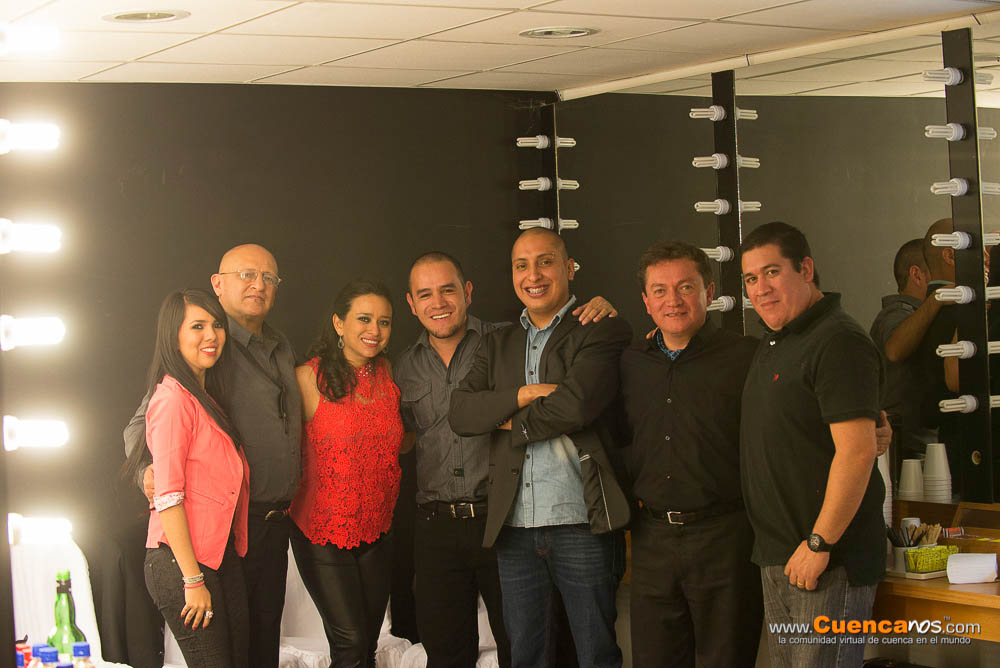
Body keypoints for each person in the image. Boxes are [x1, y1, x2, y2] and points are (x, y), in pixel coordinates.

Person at [396, 252, 617, 668]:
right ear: (411, 303)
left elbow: (567, 370)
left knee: (528, 649)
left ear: (468, 292)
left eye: (447, 290)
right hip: (435, 526)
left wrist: (600, 307)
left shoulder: (507, 342)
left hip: (501, 520)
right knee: (444, 654)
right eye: (425, 294)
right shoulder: (403, 366)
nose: (437, 302)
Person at [449, 229, 632, 668]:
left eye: (545, 262)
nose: (533, 275)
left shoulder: (600, 327)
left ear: (569, 268)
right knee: (526, 658)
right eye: (521, 265)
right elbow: (461, 413)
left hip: (583, 523)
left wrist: (507, 423)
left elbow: (576, 406)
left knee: (596, 656)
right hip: (514, 528)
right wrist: (525, 394)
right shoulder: (497, 343)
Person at [124, 244, 302, 668]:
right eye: (247, 275)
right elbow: (141, 427)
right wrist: (149, 472)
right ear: (218, 284)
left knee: (260, 649)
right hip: (226, 527)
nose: (258, 285)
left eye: (269, 278)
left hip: (271, 526)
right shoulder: (200, 357)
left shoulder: (279, 345)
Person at [740, 222, 885, 668]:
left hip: (827, 560)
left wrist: (820, 543)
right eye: (750, 279)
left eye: (772, 272)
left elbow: (857, 451)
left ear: (805, 269)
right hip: (781, 558)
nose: (760, 289)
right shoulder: (777, 340)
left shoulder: (838, 340)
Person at [619, 241, 762, 668]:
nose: (673, 300)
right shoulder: (629, 362)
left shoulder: (746, 357)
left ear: (709, 292)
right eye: (659, 290)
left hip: (725, 540)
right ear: (646, 301)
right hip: (651, 541)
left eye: (685, 287)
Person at [122, 289, 250, 668]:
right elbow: (168, 498)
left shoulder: (204, 398)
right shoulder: (172, 399)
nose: (211, 335)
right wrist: (192, 580)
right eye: (197, 326)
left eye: (216, 325)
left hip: (219, 556)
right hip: (180, 562)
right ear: (173, 335)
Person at [289, 279, 405, 668]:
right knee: (351, 642)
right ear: (339, 323)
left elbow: (400, 438)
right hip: (323, 530)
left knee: (367, 642)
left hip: (378, 528)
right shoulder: (307, 378)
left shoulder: (390, 372)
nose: (375, 330)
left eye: (384, 322)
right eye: (364, 319)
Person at [869, 238, 937, 460]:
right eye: (938, 271)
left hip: (929, 446)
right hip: (908, 451)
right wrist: (937, 299)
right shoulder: (896, 313)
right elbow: (895, 350)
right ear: (917, 275)